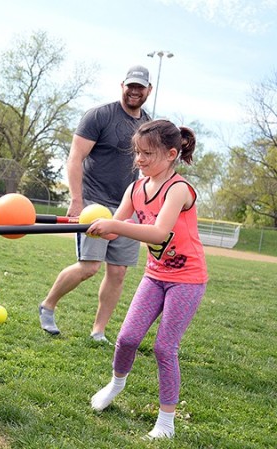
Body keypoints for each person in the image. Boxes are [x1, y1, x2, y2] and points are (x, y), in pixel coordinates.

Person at [87, 120, 208, 439]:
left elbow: (158, 233)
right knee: (127, 338)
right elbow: (115, 226)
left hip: (188, 279)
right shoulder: (136, 188)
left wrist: (113, 225)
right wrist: (89, 224)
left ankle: (166, 423)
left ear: (171, 154)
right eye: (137, 153)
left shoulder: (179, 189)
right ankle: (115, 385)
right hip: (155, 276)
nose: (139, 159)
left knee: (164, 347)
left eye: (147, 154)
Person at [38, 65, 153, 343]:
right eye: (131, 86)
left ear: (149, 90)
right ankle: (48, 305)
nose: (135, 91)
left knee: (118, 272)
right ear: (122, 85)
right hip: (94, 202)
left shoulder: (148, 125)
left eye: (140, 87)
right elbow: (75, 157)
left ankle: (98, 331)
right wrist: (77, 200)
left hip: (127, 206)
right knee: (89, 266)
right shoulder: (100, 116)